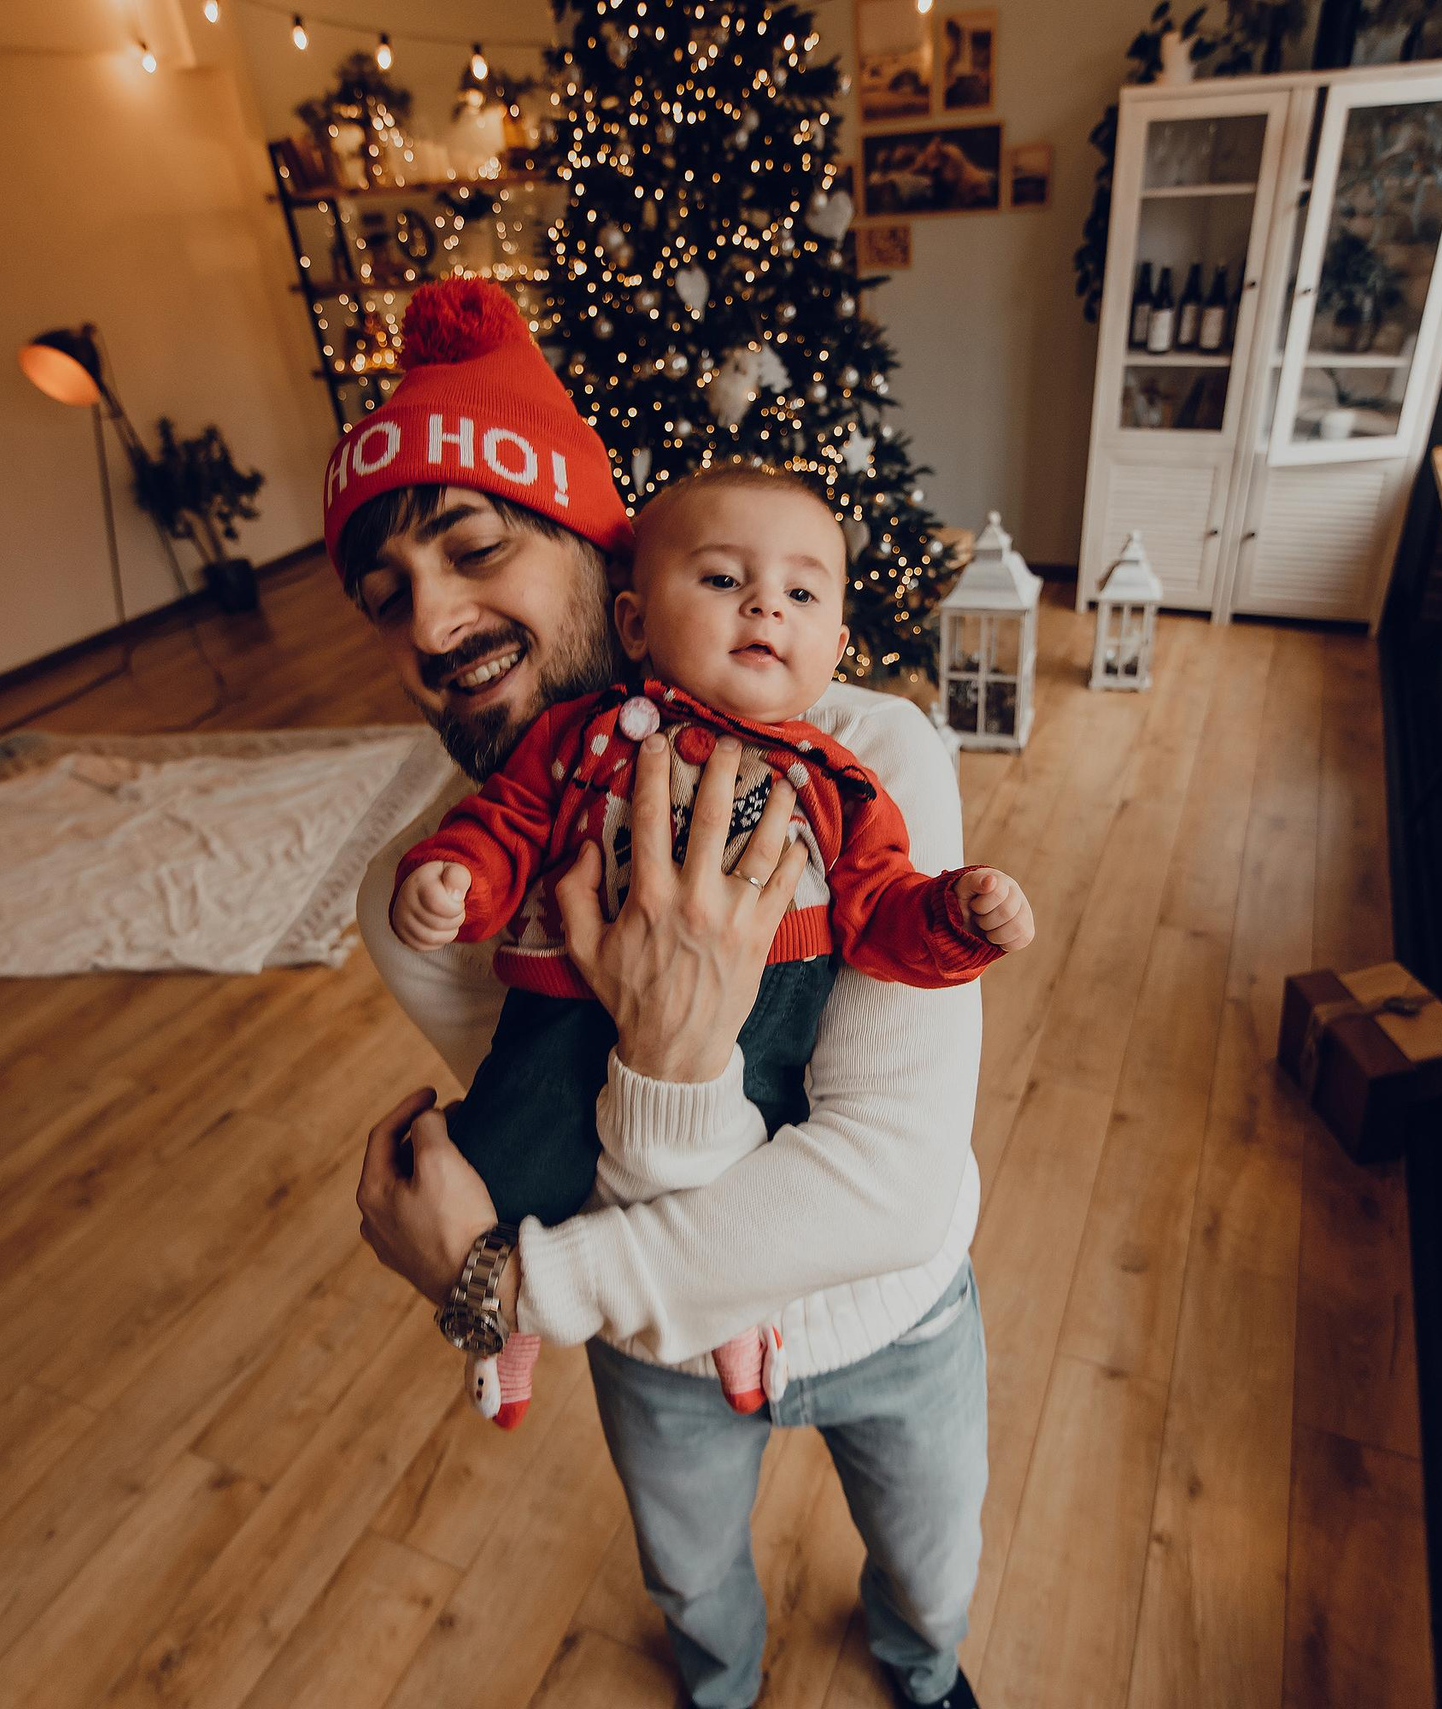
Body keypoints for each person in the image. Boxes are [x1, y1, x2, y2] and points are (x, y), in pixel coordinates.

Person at [341, 279, 992, 1709]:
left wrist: (501, 1289)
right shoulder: (426, 895)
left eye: (474, 549)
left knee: (936, 1566)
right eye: (388, 598)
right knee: (693, 1581)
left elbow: (880, 1185)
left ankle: (924, 1663)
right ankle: (718, 1686)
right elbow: (568, 1163)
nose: (435, 623)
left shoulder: (868, 754)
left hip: (899, 1312)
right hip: (659, 1358)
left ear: (603, 549)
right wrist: (673, 1053)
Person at [390, 460, 1035, 1427]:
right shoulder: (585, 737)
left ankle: (736, 1311)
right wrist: (461, 882)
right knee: (513, 1146)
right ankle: (514, 1328)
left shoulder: (843, 771)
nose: (766, 608)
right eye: (725, 581)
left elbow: (881, 904)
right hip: (566, 1017)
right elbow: (512, 820)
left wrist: (952, 918)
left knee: (754, 1179)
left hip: (772, 1037)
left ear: (835, 642)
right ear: (636, 622)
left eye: (802, 593)